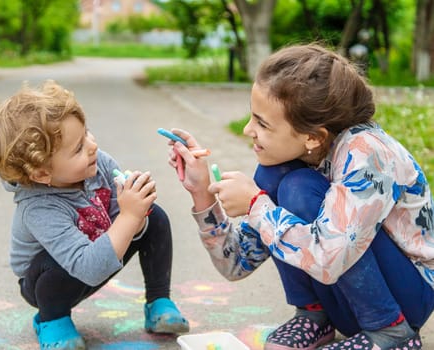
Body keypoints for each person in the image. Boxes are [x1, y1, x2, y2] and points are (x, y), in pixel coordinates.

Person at [164, 44, 433, 350]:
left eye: (262, 123)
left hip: (406, 298)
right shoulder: (290, 161)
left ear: (312, 137)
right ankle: (314, 316)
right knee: (280, 178)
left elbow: (330, 258)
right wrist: (201, 192)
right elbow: (235, 264)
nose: (247, 129)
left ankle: (391, 334)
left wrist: (256, 205)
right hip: (344, 299)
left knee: (298, 189)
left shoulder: (368, 154)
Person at [0, 80, 189, 349]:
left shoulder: (99, 164)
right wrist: (128, 218)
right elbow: (88, 267)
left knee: (154, 217)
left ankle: (159, 302)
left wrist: (135, 208)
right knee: (51, 264)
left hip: (97, 250)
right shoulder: (38, 208)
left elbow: (119, 221)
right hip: (51, 282)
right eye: (77, 148)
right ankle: (51, 320)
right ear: (42, 173)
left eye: (87, 133)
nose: (91, 146)